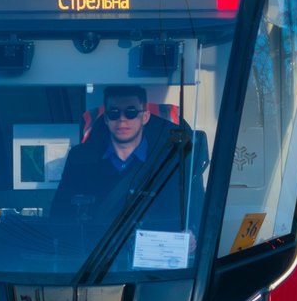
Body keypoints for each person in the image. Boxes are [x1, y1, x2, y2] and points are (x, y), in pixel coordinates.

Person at [52, 85, 195, 228]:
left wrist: (190, 236)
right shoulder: (80, 160)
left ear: (144, 117)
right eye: (114, 113)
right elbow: (60, 216)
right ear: (106, 119)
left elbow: (190, 214)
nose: (122, 120)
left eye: (131, 112)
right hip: (97, 249)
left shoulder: (170, 160)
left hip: (150, 248)